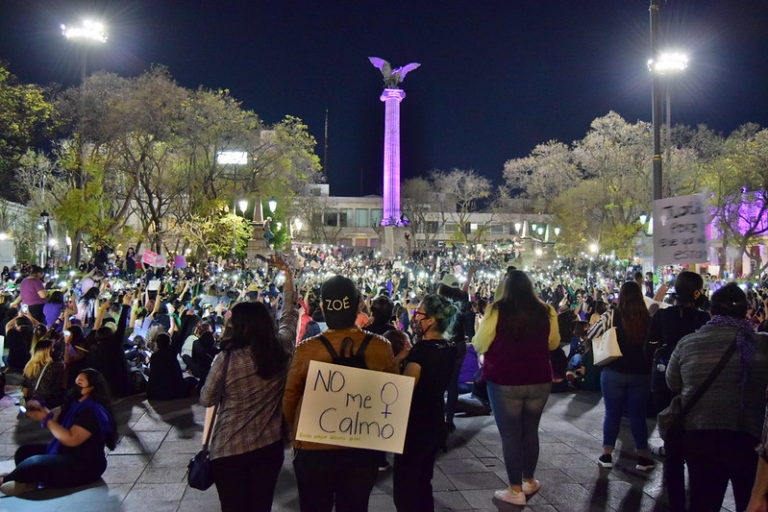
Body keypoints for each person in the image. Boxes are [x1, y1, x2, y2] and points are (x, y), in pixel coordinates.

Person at [283, 275, 396, 512]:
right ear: (358, 306)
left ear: (323, 308)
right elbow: (391, 397)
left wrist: (297, 431)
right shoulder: (381, 347)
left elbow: (289, 401)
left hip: (314, 448)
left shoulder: (307, 350)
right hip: (362, 447)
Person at [200, 255, 297, 512]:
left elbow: (207, 398)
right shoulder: (281, 349)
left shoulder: (227, 359)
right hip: (268, 447)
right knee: (261, 505)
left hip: (229, 449)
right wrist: (288, 274)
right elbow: (289, 314)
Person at [667, 283, 768, 512]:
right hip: (750, 439)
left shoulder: (689, 343)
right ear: (746, 312)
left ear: (711, 311)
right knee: (750, 501)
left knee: (703, 502)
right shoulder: (762, 344)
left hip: (701, 436)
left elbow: (673, 383)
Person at [472, 270, 560, 506]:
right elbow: (553, 342)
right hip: (539, 378)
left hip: (504, 379)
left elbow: (479, 343)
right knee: (531, 430)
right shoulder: (546, 310)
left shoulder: (496, 310)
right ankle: (529, 479)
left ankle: (515, 489)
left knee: (511, 435)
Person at [647, 271, 710, 511]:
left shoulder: (664, 315)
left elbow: (649, 342)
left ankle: (675, 503)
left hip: (665, 382)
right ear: (697, 292)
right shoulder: (703, 319)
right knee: (694, 447)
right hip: (694, 383)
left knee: (673, 450)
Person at [0, 368, 117, 496]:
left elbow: (71, 439)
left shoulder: (93, 411)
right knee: (24, 452)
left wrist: (47, 421)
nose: (75, 387)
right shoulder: (75, 402)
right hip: (65, 453)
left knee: (34, 463)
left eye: (80, 384)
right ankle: (25, 480)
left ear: (91, 388)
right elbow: (53, 416)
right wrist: (40, 410)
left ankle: (10, 480)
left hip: (83, 465)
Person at [393, 294, 458, 511]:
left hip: (415, 424)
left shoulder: (421, 351)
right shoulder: (449, 347)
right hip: (435, 419)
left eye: (418, 313)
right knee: (423, 482)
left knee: (406, 485)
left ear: (430, 320)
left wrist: (399, 359)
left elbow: (405, 387)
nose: (414, 317)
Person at [589, 281, 654, 471]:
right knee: (638, 415)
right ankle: (642, 456)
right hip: (641, 373)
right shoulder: (647, 318)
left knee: (612, 413)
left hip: (614, 371)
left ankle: (607, 454)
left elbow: (592, 333)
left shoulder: (612, 315)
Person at [146, 333, 194, 400]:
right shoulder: (171, 353)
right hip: (172, 391)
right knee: (192, 380)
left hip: (155, 393)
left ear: (157, 344)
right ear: (169, 343)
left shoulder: (154, 356)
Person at [22, 339, 66, 409]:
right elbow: (59, 386)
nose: (54, 350)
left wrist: (25, 400)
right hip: (47, 402)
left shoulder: (30, 364)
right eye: (52, 348)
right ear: (48, 352)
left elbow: (25, 385)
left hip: (31, 400)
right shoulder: (56, 366)